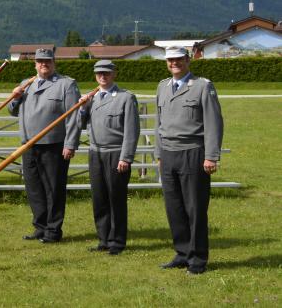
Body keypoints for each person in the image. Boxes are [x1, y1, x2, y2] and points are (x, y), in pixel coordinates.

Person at [155, 47, 223, 274]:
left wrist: (211, 156)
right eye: (170, 60)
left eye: (178, 59)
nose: (174, 63)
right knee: (174, 208)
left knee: (195, 208)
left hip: (193, 152)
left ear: (187, 60)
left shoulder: (202, 86)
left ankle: (198, 258)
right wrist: (158, 154)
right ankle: (182, 253)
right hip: (168, 153)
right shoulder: (163, 86)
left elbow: (213, 123)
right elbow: (159, 124)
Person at [9, 48, 82, 244]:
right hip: (29, 144)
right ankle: (40, 227)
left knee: (53, 189)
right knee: (34, 188)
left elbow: (74, 117)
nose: (44, 64)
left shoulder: (66, 85)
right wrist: (15, 98)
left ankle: (53, 230)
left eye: (47, 61)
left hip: (54, 145)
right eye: (40, 61)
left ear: (54, 63)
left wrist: (71, 144)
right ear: (35, 64)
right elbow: (12, 111)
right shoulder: (27, 84)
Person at [78, 60, 140, 256]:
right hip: (96, 153)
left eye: (106, 73)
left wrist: (126, 157)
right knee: (99, 198)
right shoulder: (92, 98)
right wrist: (82, 107)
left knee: (116, 198)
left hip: (116, 153)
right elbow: (80, 125)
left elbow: (132, 131)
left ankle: (117, 241)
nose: (102, 76)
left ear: (114, 74)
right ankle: (103, 238)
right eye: (99, 74)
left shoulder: (125, 98)